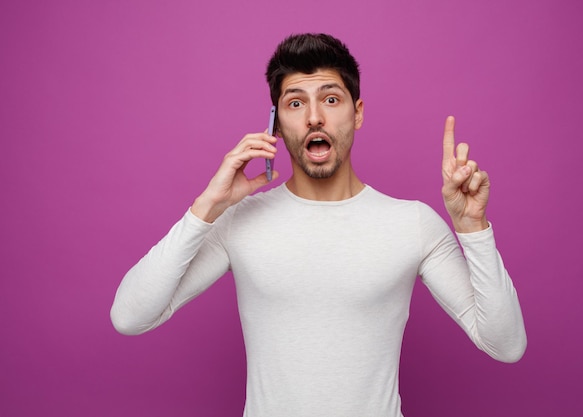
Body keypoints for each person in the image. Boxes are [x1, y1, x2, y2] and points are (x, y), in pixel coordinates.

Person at [111, 33, 527, 417]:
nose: (314, 117)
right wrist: (206, 207)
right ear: (275, 123)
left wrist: (473, 227)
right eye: (295, 103)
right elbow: (130, 316)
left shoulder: (412, 223)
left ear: (357, 113)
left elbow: (506, 345)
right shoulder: (240, 221)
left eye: (331, 99)